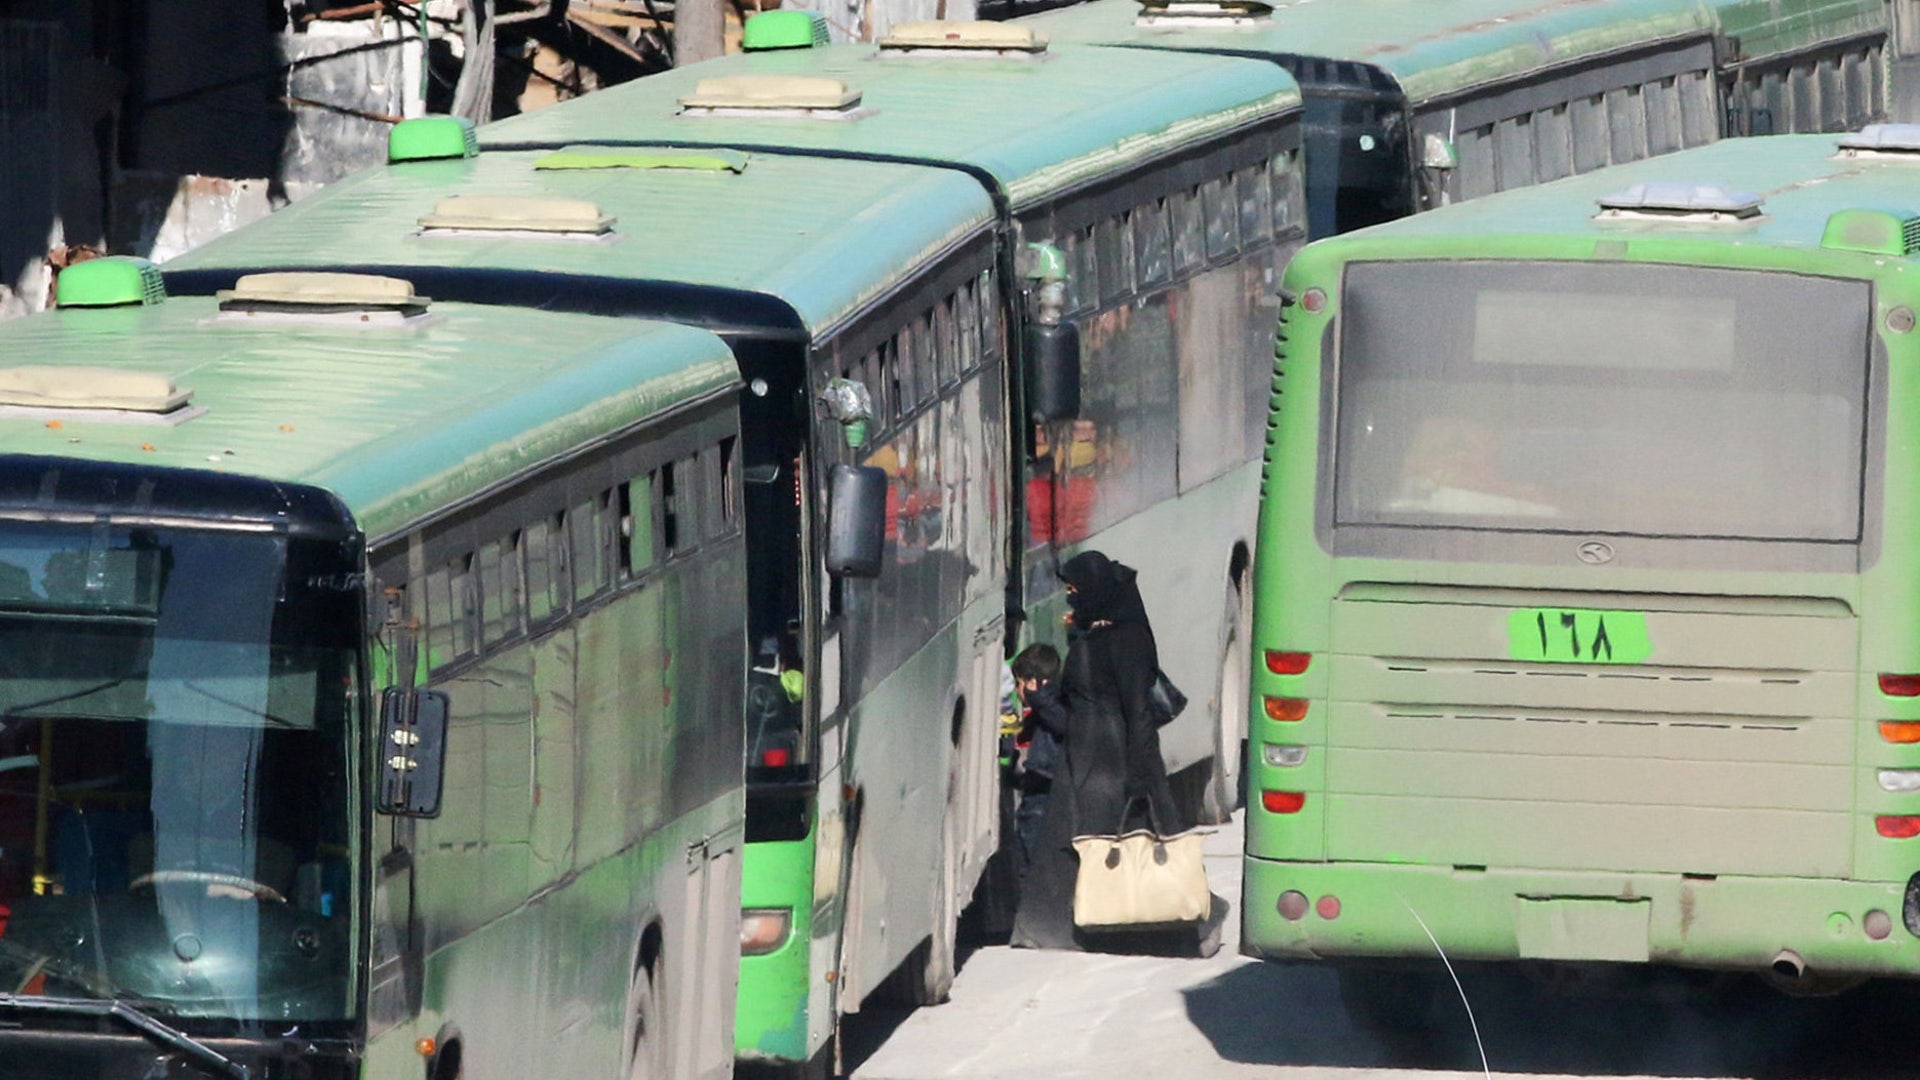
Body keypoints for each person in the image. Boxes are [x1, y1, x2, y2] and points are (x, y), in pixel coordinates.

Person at [1010, 550, 1182, 951]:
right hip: (1082, 761)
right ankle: (1066, 924)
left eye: (1075, 591)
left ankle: (1136, 922)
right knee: (1075, 847)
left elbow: (1137, 710)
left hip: (1118, 760)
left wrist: (1140, 773)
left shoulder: (1129, 641)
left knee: (1128, 845)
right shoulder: (1096, 636)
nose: (1071, 600)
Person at [1009, 643, 1066, 883]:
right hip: (1037, 795)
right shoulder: (1043, 712)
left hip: (1042, 798)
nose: (1017, 691)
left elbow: (1062, 724)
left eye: (1019, 684)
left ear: (1033, 683)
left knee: (1031, 869)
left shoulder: (1052, 709)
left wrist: (1036, 697)